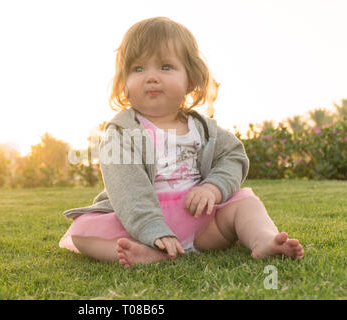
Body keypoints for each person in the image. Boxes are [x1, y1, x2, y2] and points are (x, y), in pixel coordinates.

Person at [59, 17, 303, 268]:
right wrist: (152, 230)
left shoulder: (203, 128)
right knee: (82, 231)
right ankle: (151, 252)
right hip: (140, 220)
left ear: (191, 79)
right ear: (124, 81)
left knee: (246, 203)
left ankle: (263, 239)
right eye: (138, 68)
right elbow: (128, 189)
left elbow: (234, 156)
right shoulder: (121, 131)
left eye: (165, 67)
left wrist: (213, 188)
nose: (151, 77)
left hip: (199, 220)